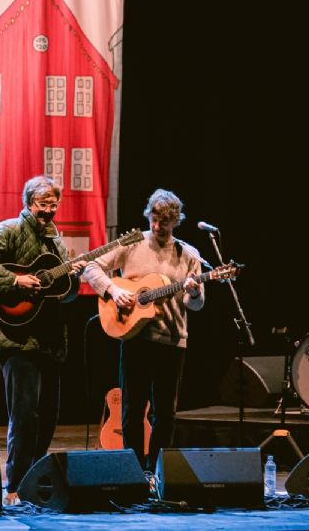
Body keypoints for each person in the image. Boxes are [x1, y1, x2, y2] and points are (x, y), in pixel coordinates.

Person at [0, 175, 86, 505]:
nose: (49, 210)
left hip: (48, 340)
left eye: (53, 204)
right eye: (43, 204)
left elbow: (61, 295)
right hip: (16, 338)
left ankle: (34, 479)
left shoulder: (55, 242)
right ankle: (14, 485)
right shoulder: (9, 230)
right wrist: (15, 281)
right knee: (24, 415)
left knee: (47, 417)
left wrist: (73, 278)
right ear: (29, 203)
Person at [84, 189, 205, 471]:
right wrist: (113, 290)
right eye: (154, 219)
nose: (158, 226)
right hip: (135, 337)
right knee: (132, 409)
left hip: (172, 340)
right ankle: (135, 470)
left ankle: (158, 471)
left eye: (165, 222)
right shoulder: (133, 242)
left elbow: (196, 305)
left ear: (175, 221)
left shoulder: (188, 255)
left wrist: (194, 292)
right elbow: (92, 266)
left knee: (165, 413)